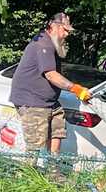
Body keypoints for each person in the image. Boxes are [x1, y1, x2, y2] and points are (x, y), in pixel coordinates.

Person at [9, 12, 91, 177]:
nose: (67, 35)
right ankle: (26, 178)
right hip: (32, 102)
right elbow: (51, 75)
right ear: (53, 26)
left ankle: (53, 171)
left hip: (48, 102)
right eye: (64, 30)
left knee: (56, 131)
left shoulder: (51, 45)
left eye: (68, 31)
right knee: (35, 145)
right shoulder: (43, 44)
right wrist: (75, 88)